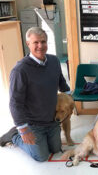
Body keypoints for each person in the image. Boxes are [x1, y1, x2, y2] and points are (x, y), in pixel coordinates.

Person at [0, 27, 70, 161]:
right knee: (41, 156)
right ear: (28, 44)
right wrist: (23, 128)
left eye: (43, 42)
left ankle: (36, 137)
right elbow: (15, 103)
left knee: (56, 149)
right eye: (36, 42)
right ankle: (14, 135)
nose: (40, 46)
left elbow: (61, 82)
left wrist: (69, 98)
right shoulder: (20, 70)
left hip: (51, 120)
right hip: (33, 123)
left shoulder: (54, 61)